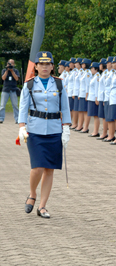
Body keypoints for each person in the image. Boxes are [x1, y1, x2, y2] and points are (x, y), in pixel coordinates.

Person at [18, 51, 71, 218]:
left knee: (49, 169)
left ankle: (42, 206)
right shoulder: (29, 84)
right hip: (35, 130)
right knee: (37, 167)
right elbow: (23, 107)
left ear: (52, 66)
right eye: (41, 64)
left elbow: (65, 108)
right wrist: (21, 126)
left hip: (55, 130)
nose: (45, 67)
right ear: (37, 66)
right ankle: (32, 193)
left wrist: (67, 128)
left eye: (48, 64)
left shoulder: (59, 84)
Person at [0, 59, 20, 123]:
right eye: (9, 63)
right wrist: (7, 70)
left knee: (15, 105)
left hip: (13, 90)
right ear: (7, 64)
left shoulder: (16, 71)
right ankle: (1, 119)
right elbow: (3, 78)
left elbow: (17, 79)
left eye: (12, 63)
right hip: (5, 90)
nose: (10, 65)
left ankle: (17, 119)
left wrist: (12, 71)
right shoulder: (4, 70)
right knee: (2, 105)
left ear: (14, 64)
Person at [103, 56, 116, 142]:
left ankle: (111, 135)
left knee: (111, 118)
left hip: (111, 97)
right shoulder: (109, 73)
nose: (108, 65)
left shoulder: (113, 73)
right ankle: (110, 135)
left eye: (110, 63)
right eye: (108, 63)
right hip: (108, 97)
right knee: (108, 117)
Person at [96, 58, 109, 139]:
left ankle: (105, 133)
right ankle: (104, 132)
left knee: (105, 116)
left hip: (104, 97)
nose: (99, 66)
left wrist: (104, 98)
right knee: (103, 116)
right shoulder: (103, 73)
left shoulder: (106, 73)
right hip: (101, 97)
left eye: (100, 64)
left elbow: (105, 87)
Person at [87, 62, 101, 137]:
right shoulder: (94, 76)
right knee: (94, 115)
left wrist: (96, 98)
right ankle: (94, 130)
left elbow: (97, 88)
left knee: (96, 115)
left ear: (96, 69)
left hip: (94, 98)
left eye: (92, 68)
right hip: (91, 97)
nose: (91, 70)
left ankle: (96, 131)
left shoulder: (97, 76)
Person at [72, 58, 83, 130]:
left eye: (76, 63)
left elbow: (81, 84)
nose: (75, 64)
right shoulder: (77, 72)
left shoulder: (82, 72)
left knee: (79, 110)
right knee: (76, 109)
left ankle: (79, 124)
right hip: (76, 92)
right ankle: (75, 123)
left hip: (79, 93)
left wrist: (78, 93)